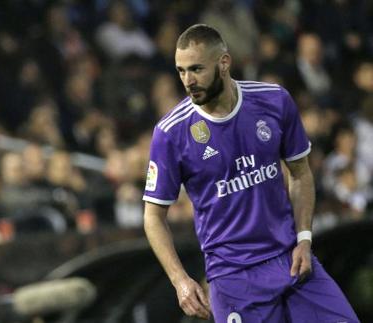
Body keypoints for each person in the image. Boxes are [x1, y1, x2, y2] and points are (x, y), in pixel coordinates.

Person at [142, 24, 359, 322]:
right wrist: (180, 280)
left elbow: (300, 172)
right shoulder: (171, 133)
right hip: (234, 278)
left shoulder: (273, 100)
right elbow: (153, 217)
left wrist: (304, 238)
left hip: (292, 260)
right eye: (181, 71)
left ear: (224, 63)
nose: (188, 81)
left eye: (196, 69)